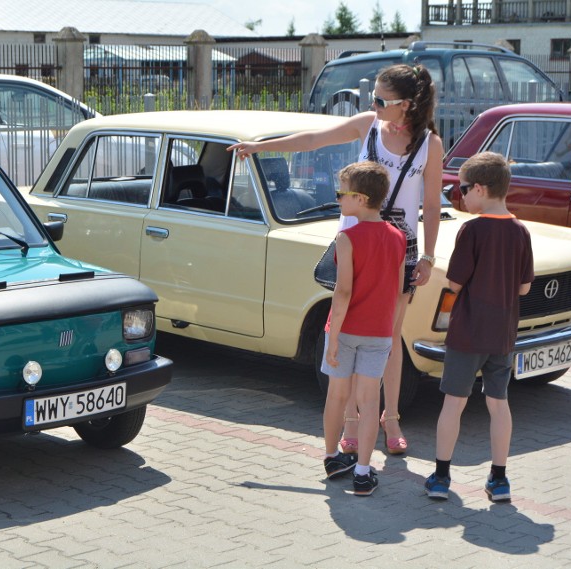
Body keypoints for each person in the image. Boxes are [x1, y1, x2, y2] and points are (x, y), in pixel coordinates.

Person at [228, 64, 443, 455]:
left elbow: (430, 204)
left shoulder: (430, 144)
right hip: (355, 244)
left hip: (400, 250)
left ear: (407, 105)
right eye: (373, 98)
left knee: (390, 336)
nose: (373, 104)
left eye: (381, 100)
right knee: (343, 331)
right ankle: (350, 423)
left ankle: (390, 418)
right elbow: (313, 140)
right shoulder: (367, 125)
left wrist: (428, 256)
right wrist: (259, 148)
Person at [425, 152, 533, 502]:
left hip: (468, 332)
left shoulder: (471, 230)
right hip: (502, 334)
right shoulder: (520, 231)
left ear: (482, 189)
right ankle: (499, 479)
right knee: (498, 404)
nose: (461, 194)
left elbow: (455, 283)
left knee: (453, 404)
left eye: (464, 188)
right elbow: (524, 288)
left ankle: (441, 477)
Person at [320, 162, 405, 496]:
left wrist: (333, 338)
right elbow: (398, 292)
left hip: (346, 329)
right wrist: (390, 329)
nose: (338, 198)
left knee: (338, 396)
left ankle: (331, 457)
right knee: (370, 401)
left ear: (360, 197)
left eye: (342, 193)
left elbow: (342, 293)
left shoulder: (346, 238)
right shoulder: (398, 237)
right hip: (379, 333)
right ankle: (364, 471)